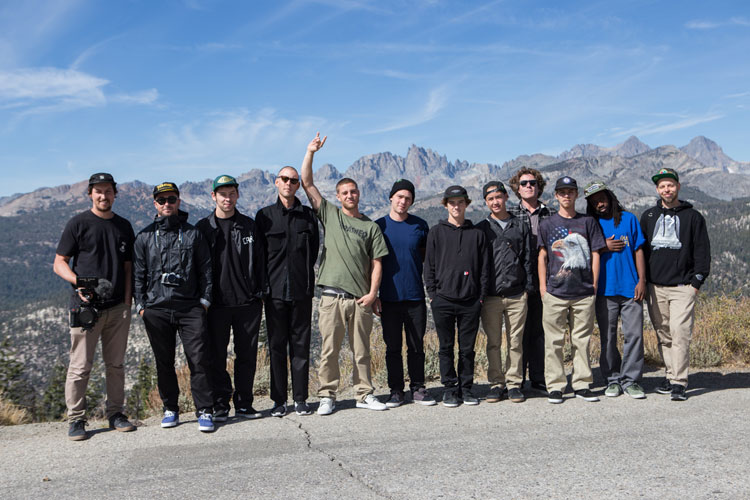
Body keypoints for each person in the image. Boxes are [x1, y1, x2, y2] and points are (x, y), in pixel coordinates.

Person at [299, 133, 390, 415]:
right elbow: (307, 183)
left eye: (354, 191)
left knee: (362, 351)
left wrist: (373, 293)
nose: (350, 195)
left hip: (359, 299)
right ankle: (328, 395)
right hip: (330, 298)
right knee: (329, 351)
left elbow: (377, 263)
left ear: (358, 194)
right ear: (338, 197)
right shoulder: (330, 214)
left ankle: (364, 394)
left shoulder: (371, 227)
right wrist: (310, 151)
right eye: (345, 193)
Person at [53, 173, 136, 441]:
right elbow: (59, 263)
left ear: (115, 194)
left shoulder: (124, 226)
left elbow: (127, 267)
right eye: (98, 191)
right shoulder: (78, 223)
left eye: (108, 191)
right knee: (80, 366)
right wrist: (79, 282)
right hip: (85, 308)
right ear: (90, 194)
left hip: (117, 309)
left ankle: (116, 414)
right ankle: (76, 419)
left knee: (116, 365)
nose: (104, 196)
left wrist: (127, 303)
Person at [133, 182, 215, 432]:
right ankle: (171, 408)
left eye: (171, 199)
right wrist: (141, 307)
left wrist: (204, 302)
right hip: (156, 309)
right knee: (163, 361)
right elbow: (138, 274)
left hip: (190, 307)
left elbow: (206, 270)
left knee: (199, 359)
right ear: (155, 204)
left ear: (179, 201)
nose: (167, 204)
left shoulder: (193, 233)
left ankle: (205, 410)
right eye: (162, 200)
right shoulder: (145, 236)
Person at [196, 175, 267, 421]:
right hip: (216, 304)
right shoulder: (203, 228)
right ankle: (220, 404)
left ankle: (245, 404)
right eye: (222, 194)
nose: (227, 198)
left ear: (237, 195)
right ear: (213, 196)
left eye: (231, 193)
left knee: (246, 356)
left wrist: (260, 293)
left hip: (248, 303)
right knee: (216, 357)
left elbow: (260, 262)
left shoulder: (248, 226)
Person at [640, 168, 711, 401]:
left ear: (678, 186)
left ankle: (679, 382)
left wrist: (696, 282)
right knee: (663, 334)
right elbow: (641, 251)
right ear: (657, 190)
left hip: (682, 287)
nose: (666, 189)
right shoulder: (648, 216)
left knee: (680, 333)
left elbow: (702, 251)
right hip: (655, 287)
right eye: (662, 186)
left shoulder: (693, 217)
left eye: (670, 185)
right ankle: (670, 376)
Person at [256, 167, 319, 417]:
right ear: (276, 182)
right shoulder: (265, 216)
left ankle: (301, 399)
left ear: (297, 185)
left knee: (301, 347)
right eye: (285, 179)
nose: (289, 184)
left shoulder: (307, 216)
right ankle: (279, 400)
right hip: (274, 293)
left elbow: (312, 250)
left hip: (302, 291)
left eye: (294, 180)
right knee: (277, 347)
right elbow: (259, 255)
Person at [537, 176, 605, 404]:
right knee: (553, 342)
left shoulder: (587, 222)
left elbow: (596, 253)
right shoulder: (547, 224)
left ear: (576, 195)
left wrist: (594, 284)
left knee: (581, 340)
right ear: (556, 196)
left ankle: (582, 383)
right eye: (562, 192)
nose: (566, 195)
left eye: (570, 191)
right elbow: (543, 255)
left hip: (583, 292)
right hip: (555, 292)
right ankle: (555, 386)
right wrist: (542, 288)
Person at [424, 185, 489, 408]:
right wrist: (433, 295)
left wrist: (480, 297)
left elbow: (484, 269)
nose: (456, 206)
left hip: (471, 300)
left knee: (468, 348)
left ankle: (467, 388)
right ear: (445, 205)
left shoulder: (477, 234)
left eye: (460, 202)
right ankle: (450, 389)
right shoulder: (436, 232)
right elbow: (429, 267)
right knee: (445, 347)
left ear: (466, 204)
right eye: (452, 202)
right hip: (443, 300)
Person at [375, 179, 435, 407]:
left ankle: (418, 387)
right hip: (388, 297)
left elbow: (427, 259)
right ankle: (396, 391)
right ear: (391, 198)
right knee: (392, 347)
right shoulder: (379, 225)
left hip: (415, 297)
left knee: (416, 345)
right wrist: (374, 294)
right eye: (399, 197)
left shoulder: (420, 226)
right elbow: (373, 263)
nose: (403, 201)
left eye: (408, 198)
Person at [584, 181, 647, 399]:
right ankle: (612, 379)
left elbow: (638, 250)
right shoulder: (591, 224)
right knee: (608, 338)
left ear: (610, 197)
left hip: (631, 288)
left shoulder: (629, 219)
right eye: (594, 201)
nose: (599, 203)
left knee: (634, 336)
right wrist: (603, 246)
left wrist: (642, 281)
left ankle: (632, 380)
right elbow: (584, 253)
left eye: (601, 198)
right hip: (604, 289)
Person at [476, 181, 533, 404]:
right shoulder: (481, 229)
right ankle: (496, 383)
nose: (495, 202)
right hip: (490, 296)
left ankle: (514, 384)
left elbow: (528, 257)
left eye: (498, 197)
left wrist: (527, 288)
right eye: (490, 199)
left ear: (506, 198)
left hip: (517, 294)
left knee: (515, 341)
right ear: (486, 202)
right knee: (493, 342)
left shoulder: (520, 226)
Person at [508, 167, 556, 393]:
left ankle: (538, 377)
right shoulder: (509, 216)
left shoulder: (551, 214)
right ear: (517, 188)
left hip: (545, 278)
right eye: (524, 183)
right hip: (517, 278)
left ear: (539, 186)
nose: (529, 186)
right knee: (518, 332)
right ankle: (516, 380)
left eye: (533, 183)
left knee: (539, 330)